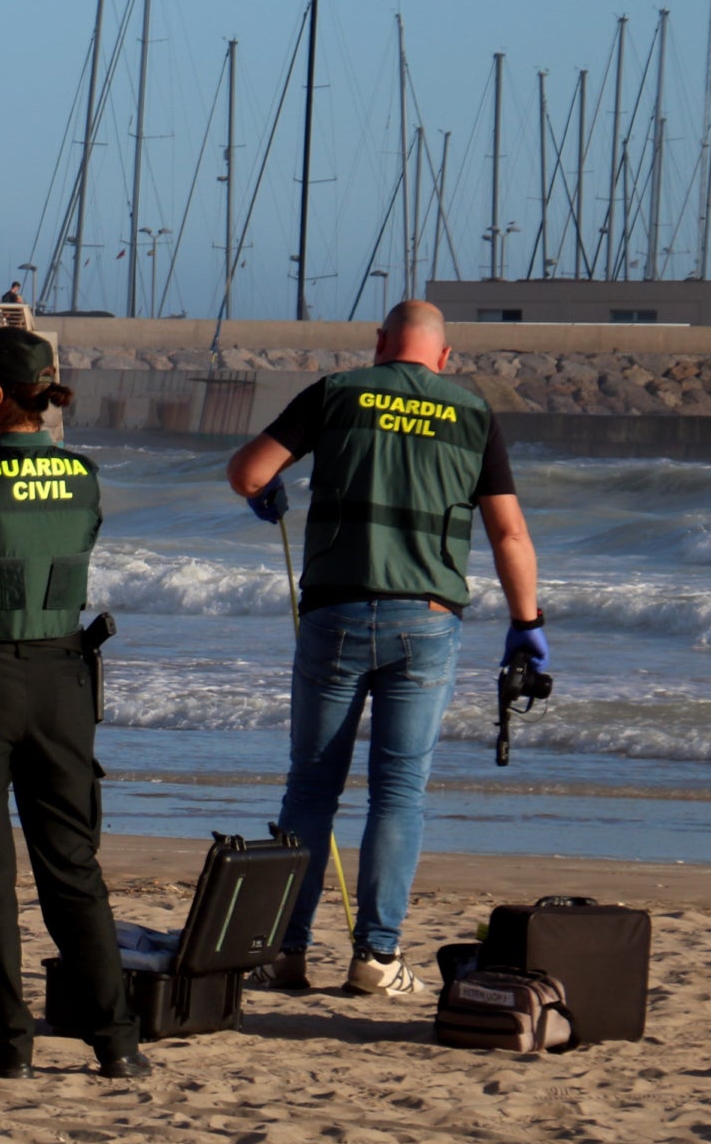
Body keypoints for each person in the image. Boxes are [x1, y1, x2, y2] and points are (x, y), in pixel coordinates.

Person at [226, 299, 544, 997]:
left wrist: (266, 494)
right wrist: (528, 623)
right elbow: (509, 533)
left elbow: (248, 471)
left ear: (379, 344)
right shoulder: (469, 412)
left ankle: (284, 951)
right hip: (426, 625)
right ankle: (375, 956)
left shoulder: (338, 393)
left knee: (311, 786)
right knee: (399, 792)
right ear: (444, 356)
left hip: (335, 615)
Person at [0, 327, 148, 1081]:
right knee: (73, 863)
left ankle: (5, 1042)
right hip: (63, 680)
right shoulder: (84, 475)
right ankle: (117, 1039)